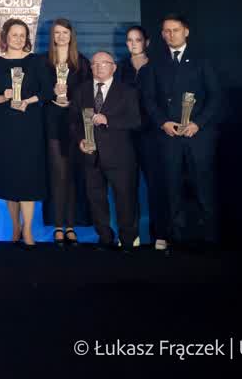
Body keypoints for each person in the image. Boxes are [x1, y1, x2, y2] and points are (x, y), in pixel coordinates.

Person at [140, 13, 219, 251]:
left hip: (197, 136)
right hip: (169, 135)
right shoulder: (155, 63)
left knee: (203, 187)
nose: (170, 34)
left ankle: (208, 237)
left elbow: (215, 97)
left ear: (186, 31)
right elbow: (148, 99)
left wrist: (198, 124)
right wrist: (163, 122)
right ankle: (176, 237)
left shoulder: (202, 60)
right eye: (166, 31)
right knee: (171, 187)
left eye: (175, 30)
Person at [72, 51, 140, 250]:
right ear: (90, 67)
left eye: (104, 63)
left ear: (114, 67)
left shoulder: (127, 91)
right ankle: (104, 237)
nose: (99, 66)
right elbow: (73, 121)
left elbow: (135, 121)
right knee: (96, 200)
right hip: (90, 155)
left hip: (120, 156)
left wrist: (109, 120)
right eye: (95, 63)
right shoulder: (81, 90)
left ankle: (127, 240)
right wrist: (80, 139)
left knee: (125, 200)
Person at [0, 18, 47, 245]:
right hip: (5, 127)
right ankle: (15, 227)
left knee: (28, 178)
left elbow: (46, 91)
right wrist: (3, 96)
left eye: (22, 35)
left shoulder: (37, 61)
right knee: (10, 179)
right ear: (5, 37)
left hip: (30, 126)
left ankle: (28, 230)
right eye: (14, 34)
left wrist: (27, 101)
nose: (18, 39)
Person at [118, 24, 165, 249]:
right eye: (130, 40)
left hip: (152, 134)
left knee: (156, 185)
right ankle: (130, 236)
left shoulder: (157, 66)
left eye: (137, 40)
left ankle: (160, 234)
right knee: (127, 186)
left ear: (147, 42)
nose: (133, 44)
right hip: (126, 135)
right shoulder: (121, 68)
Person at [43, 18, 86, 245]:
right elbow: (38, 90)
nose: (61, 36)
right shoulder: (43, 61)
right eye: (57, 33)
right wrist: (52, 94)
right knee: (58, 175)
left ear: (71, 36)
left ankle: (71, 226)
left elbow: (88, 93)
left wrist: (72, 101)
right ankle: (58, 225)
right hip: (52, 123)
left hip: (75, 124)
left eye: (65, 32)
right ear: (52, 36)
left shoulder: (82, 62)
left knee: (72, 176)